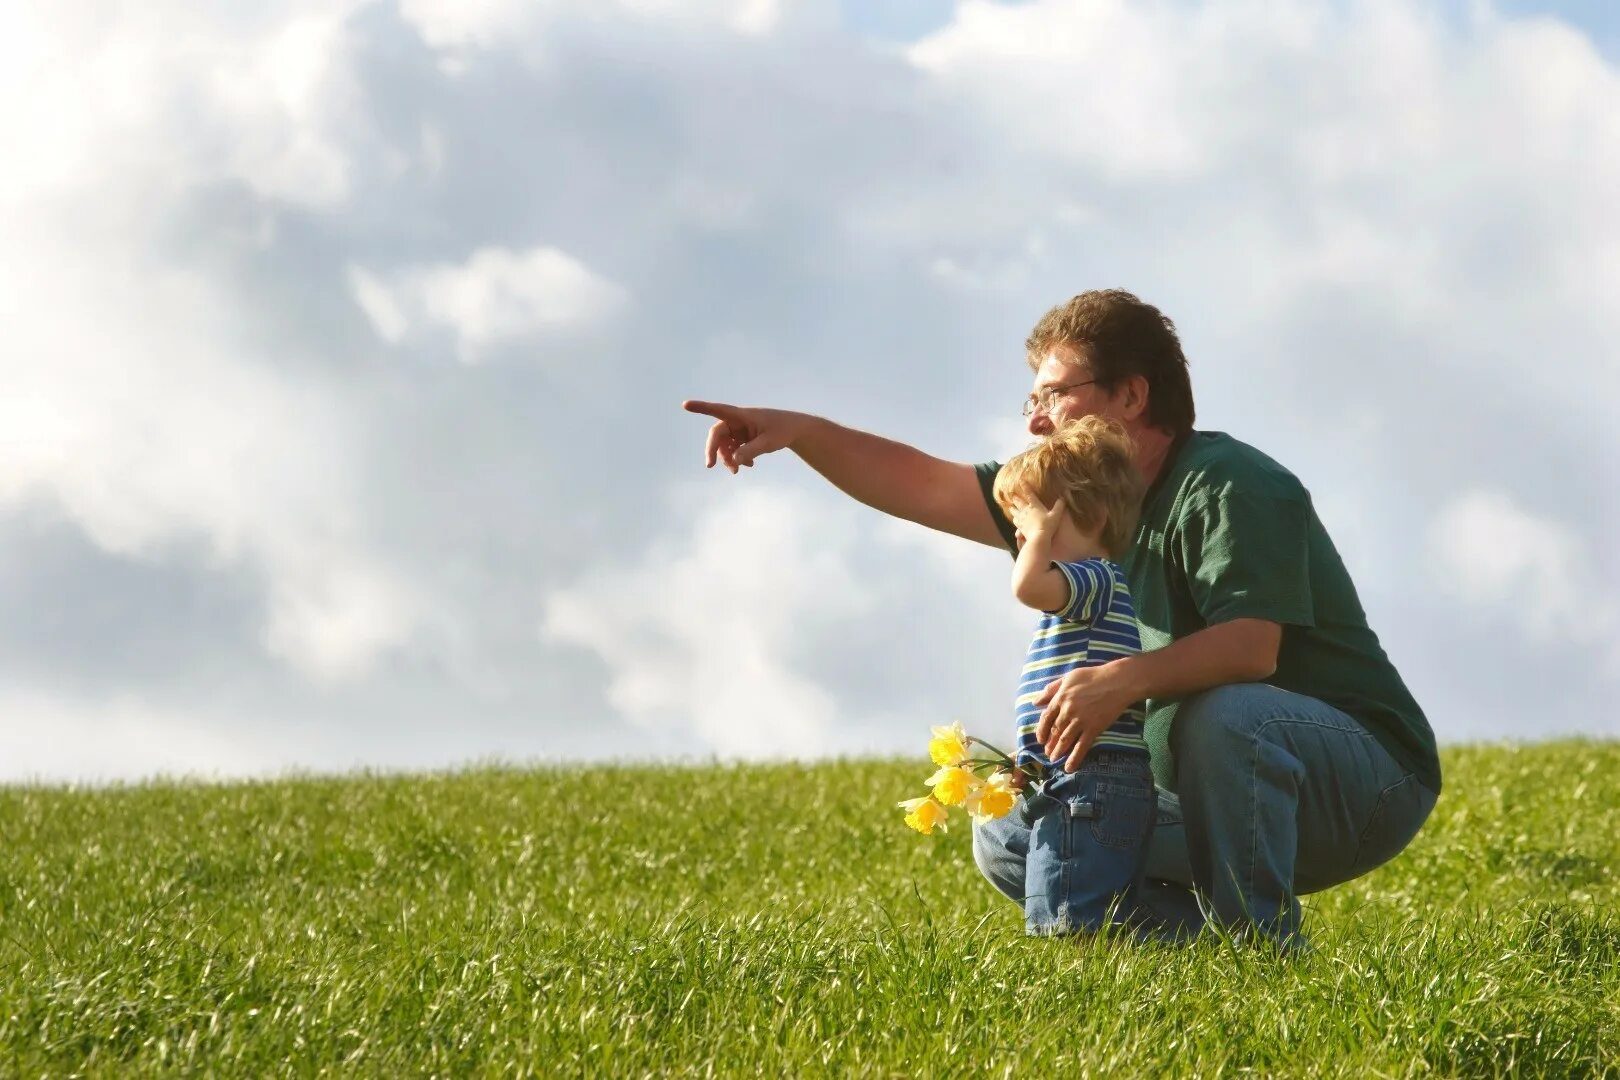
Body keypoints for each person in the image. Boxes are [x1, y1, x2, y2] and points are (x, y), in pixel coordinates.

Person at [683, 288, 1440, 948]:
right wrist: (802, 431)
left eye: (1053, 394)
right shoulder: (1075, 502)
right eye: (1032, 401)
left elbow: (1252, 648)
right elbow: (922, 483)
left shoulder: (1230, 485)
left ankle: (1261, 949)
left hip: (1361, 784)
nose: (1037, 420)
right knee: (1012, 834)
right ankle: (1203, 960)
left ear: (1132, 397)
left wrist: (1119, 681)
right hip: (1211, 787)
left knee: (1225, 714)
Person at [992, 417, 1156, 937]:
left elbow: (1026, 587)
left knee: (1068, 922)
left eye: (1038, 516)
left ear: (1096, 516)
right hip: (1077, 778)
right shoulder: (1083, 593)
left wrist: (1036, 541)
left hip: (1091, 782)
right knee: (1077, 908)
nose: (1023, 531)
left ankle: (1086, 987)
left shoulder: (1095, 579)